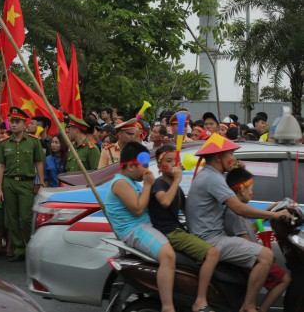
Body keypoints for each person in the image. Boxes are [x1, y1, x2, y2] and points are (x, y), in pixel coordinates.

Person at [185, 133, 292, 312]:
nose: (234, 158)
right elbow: (239, 208)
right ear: (219, 158)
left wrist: (236, 168)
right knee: (266, 255)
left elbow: (236, 184)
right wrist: (275, 216)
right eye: (231, 155)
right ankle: (249, 306)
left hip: (211, 236)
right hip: (211, 239)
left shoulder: (211, 175)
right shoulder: (213, 178)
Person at [104, 142, 176, 312]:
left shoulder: (130, 181)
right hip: (134, 230)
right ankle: (168, 306)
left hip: (142, 226)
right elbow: (137, 208)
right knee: (168, 256)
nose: (145, 170)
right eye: (142, 166)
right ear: (130, 166)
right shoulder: (121, 183)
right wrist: (148, 185)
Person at [148, 145, 220, 312]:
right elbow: (164, 201)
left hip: (179, 229)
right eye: (168, 161)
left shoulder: (175, 186)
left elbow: (189, 210)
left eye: (176, 160)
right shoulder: (159, 184)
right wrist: (178, 180)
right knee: (213, 253)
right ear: (159, 166)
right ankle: (200, 301)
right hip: (169, 233)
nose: (174, 164)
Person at [224, 168, 291, 312]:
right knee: (285, 279)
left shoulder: (238, 210)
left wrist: (270, 211)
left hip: (250, 257)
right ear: (242, 190)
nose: (252, 192)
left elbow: (251, 229)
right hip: (250, 261)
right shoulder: (236, 214)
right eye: (251, 189)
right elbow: (245, 243)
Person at [0, 107, 45, 262]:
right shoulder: (4, 143)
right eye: (12, 121)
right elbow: (1, 167)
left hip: (26, 183)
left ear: (25, 124)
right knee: (11, 217)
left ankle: (31, 246)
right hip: (9, 183)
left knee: (26, 217)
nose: (14, 125)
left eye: (17, 122)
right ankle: (19, 249)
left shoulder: (33, 142)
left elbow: (38, 163)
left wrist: (41, 183)